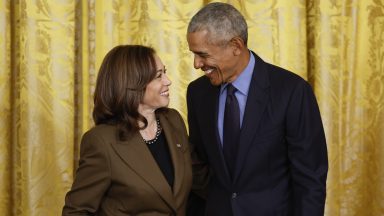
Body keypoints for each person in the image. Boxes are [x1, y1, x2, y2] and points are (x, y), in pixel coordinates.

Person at [186, 2, 328, 216]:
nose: (196, 64)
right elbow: (200, 168)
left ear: (236, 45)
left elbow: (310, 179)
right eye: (194, 54)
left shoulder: (292, 91)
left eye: (203, 54)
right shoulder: (197, 93)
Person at [62, 45, 192, 216]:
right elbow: (76, 211)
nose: (168, 81)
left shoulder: (173, 120)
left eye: (164, 72)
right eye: (158, 76)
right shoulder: (101, 141)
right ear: (132, 84)